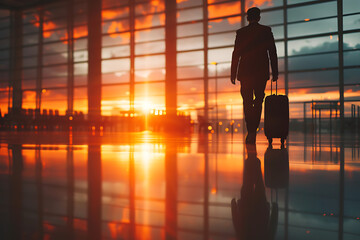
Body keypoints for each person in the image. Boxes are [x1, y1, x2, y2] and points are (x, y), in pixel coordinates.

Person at [231, 7, 278, 144]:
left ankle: (250, 130)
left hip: (245, 73)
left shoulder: (241, 33)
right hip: (260, 73)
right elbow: (272, 52)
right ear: (259, 17)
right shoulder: (266, 31)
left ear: (247, 18)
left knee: (247, 101)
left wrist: (233, 73)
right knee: (258, 101)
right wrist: (274, 72)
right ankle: (253, 131)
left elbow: (236, 54)